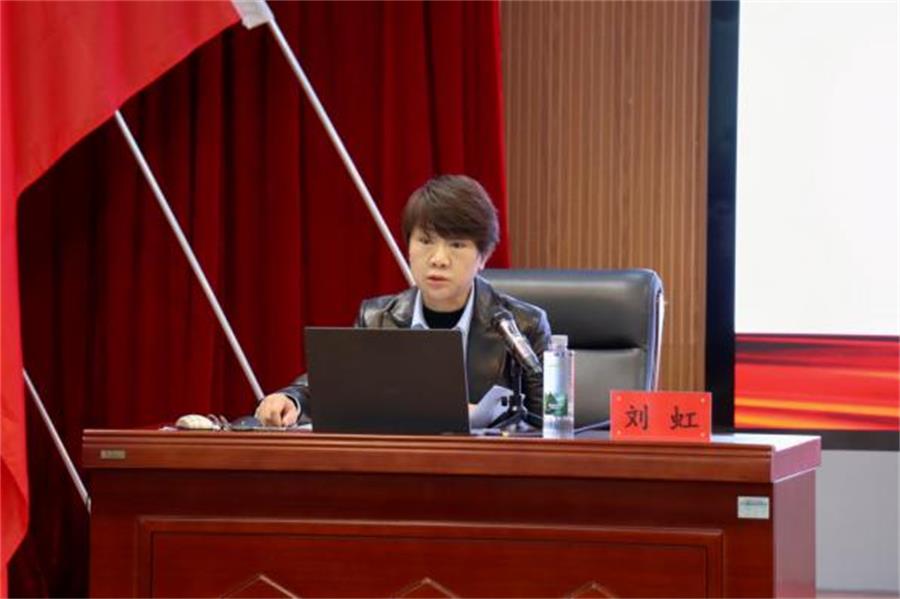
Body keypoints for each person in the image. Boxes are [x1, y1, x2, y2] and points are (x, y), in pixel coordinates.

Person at [255, 174, 551, 427]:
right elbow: (333, 385)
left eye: (457, 245)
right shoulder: (377, 317)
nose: (438, 259)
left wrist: (492, 420)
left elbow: (551, 426)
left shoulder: (523, 326)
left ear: (483, 256)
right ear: (408, 246)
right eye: (425, 241)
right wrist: (291, 399)